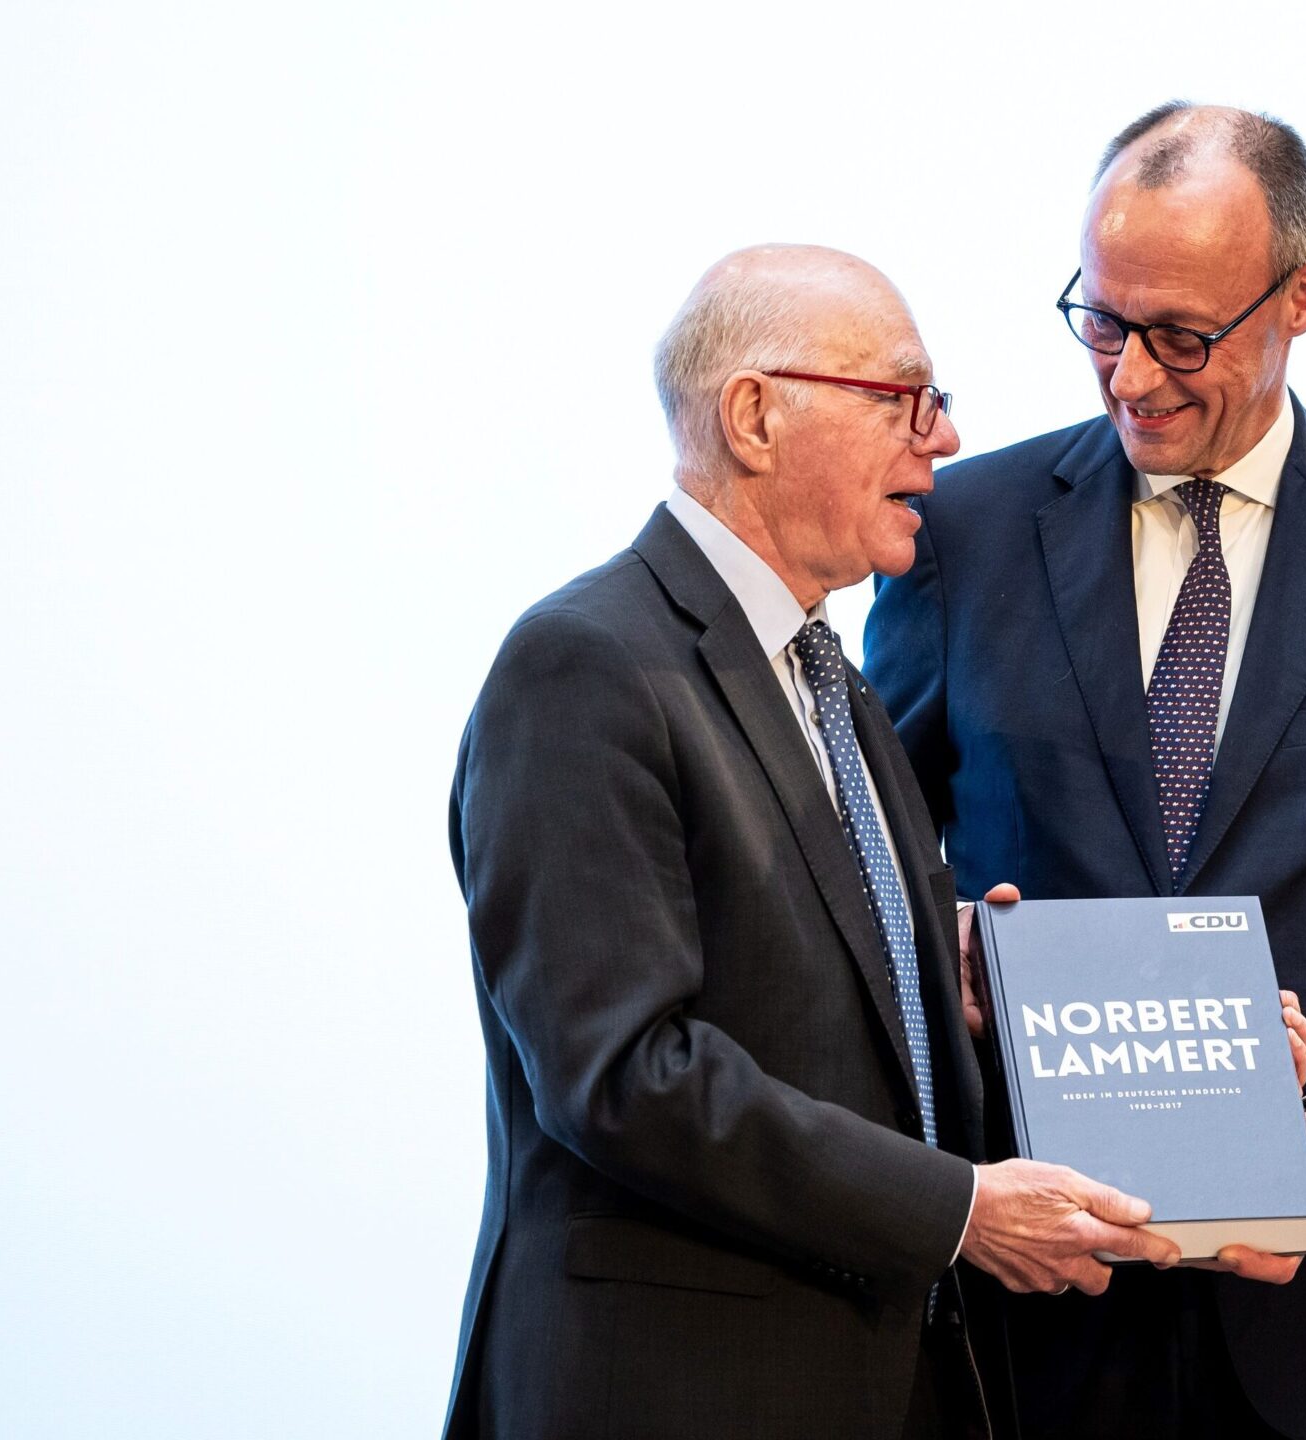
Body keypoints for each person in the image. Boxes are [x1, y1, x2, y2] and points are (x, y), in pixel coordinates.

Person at [865, 105, 1306, 1440]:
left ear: (1304, 297)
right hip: (1026, 1332)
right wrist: (955, 946)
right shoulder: (959, 536)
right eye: (1099, 321)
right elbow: (865, 888)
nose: (1131, 376)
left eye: (1182, 335)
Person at [441, 244, 1191, 1440]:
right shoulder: (584, 665)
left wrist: (1165, 1042)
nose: (941, 440)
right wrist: (958, 1213)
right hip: (680, 1394)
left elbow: (831, 1014)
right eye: (904, 397)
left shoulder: (832, 680)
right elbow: (624, 1076)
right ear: (753, 417)